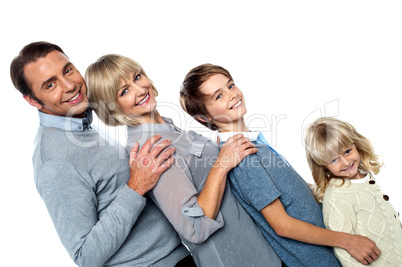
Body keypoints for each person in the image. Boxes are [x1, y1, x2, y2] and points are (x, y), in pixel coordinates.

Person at [85, 54, 282, 267]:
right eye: (124, 91)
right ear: (112, 107)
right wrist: (221, 164)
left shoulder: (166, 128)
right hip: (236, 258)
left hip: (258, 248)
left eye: (137, 77)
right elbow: (193, 227)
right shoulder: (152, 148)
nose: (140, 89)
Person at [10, 41, 194, 267]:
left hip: (179, 255)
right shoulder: (54, 162)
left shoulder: (79, 124)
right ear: (31, 100)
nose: (69, 85)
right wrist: (135, 187)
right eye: (50, 85)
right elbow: (85, 256)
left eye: (68, 70)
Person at [179, 63, 382, 266]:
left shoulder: (251, 144)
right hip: (318, 260)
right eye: (218, 96)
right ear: (204, 117)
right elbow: (282, 225)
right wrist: (348, 241)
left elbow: (289, 193)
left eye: (230, 86)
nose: (232, 94)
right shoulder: (245, 158)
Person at [304, 117, 402, 266]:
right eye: (334, 160)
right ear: (323, 166)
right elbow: (344, 252)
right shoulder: (337, 197)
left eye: (347, 151)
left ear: (356, 145)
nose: (346, 162)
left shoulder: (365, 175)